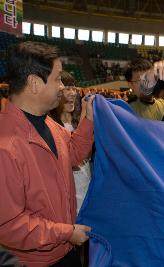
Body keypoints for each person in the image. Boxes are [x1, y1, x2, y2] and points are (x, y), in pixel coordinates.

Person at [0, 41, 94, 266]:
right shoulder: (6, 147)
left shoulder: (47, 123)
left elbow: (70, 155)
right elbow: (9, 225)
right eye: (58, 78)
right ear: (34, 83)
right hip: (37, 260)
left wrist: (88, 122)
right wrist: (66, 232)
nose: (62, 87)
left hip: (64, 249)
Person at [50, 71, 92, 214]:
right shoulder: (52, 126)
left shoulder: (77, 122)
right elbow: (74, 149)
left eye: (74, 88)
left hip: (86, 188)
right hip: (68, 196)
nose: (73, 93)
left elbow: (84, 150)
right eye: (67, 88)